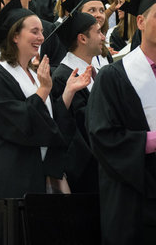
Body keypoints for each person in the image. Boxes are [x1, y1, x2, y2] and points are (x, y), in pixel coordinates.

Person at [0, 0, 90, 245]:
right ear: (15, 36)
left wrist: (68, 91)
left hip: (35, 168)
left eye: (42, 31)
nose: (41, 37)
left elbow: (50, 123)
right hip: (7, 170)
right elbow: (20, 124)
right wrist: (44, 91)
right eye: (34, 31)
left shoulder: (35, 76)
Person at [86, 0, 156, 245]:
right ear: (140, 21)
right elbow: (102, 138)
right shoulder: (113, 76)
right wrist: (151, 141)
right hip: (133, 203)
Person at [51, 11, 105, 193]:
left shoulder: (94, 71)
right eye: (98, 32)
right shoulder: (63, 77)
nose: (103, 37)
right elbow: (70, 127)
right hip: (83, 173)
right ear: (82, 38)